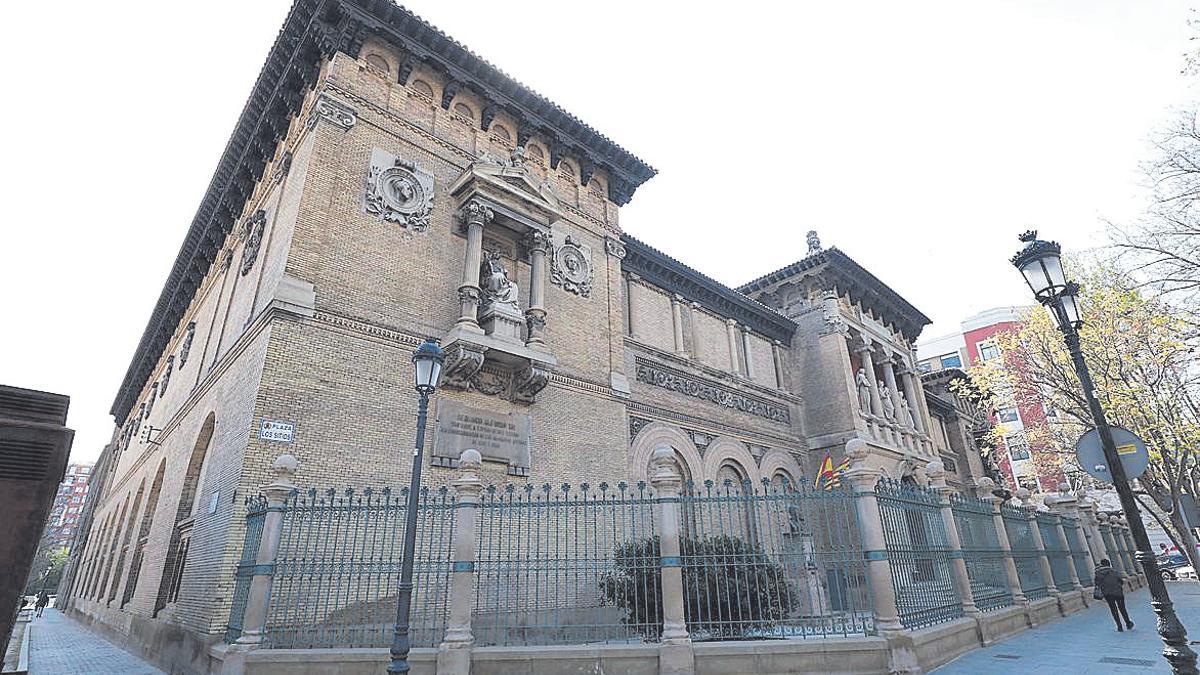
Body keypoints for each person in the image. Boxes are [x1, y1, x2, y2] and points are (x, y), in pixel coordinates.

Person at [1094, 558, 1133, 632]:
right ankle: (1128, 623)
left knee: (1113, 608)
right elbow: (1121, 581)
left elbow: (1097, 584)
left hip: (1107, 594)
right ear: (1108, 564)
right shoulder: (1114, 571)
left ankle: (1119, 626)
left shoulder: (1098, 573)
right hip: (1118, 592)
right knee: (1122, 608)